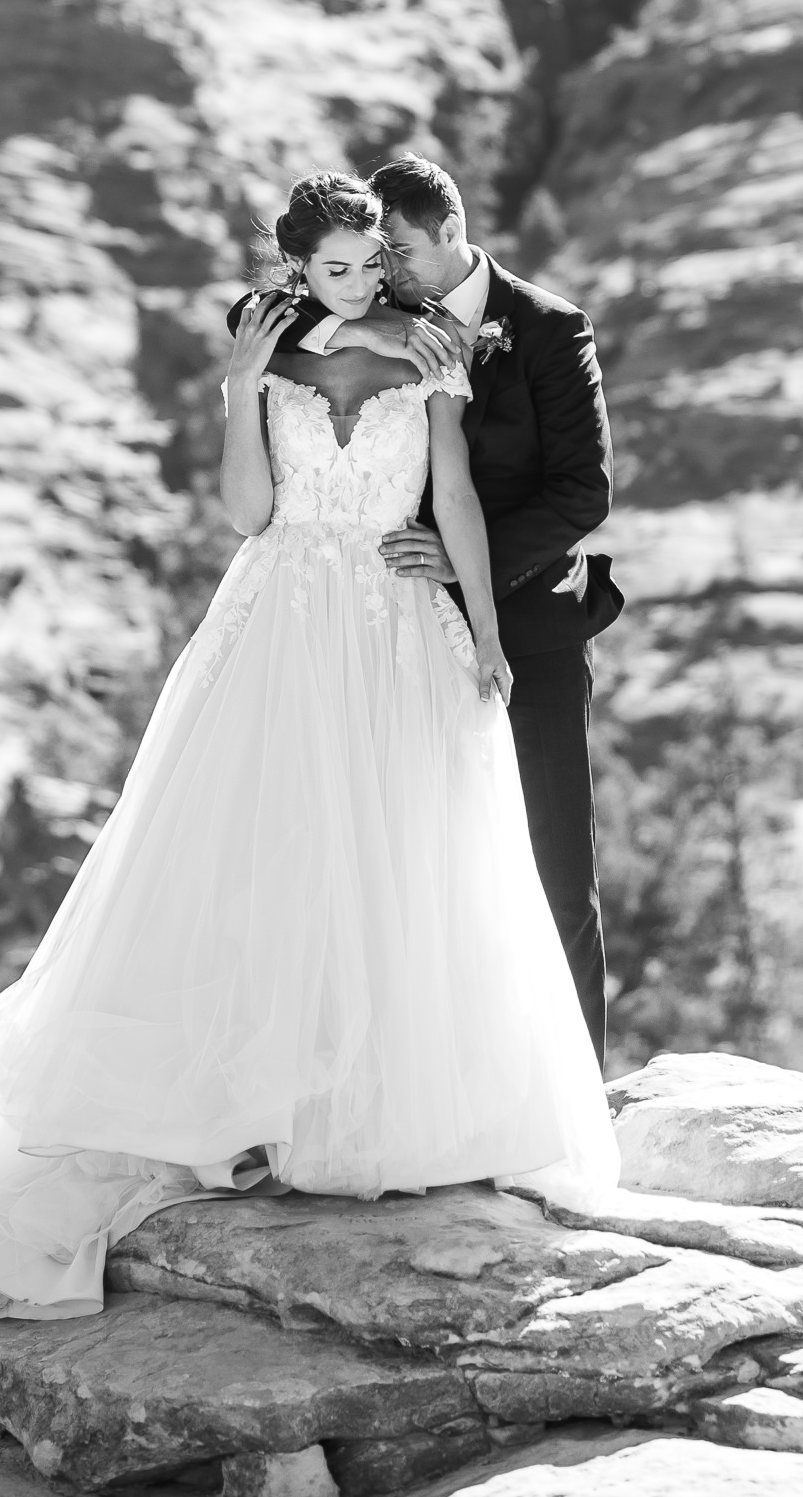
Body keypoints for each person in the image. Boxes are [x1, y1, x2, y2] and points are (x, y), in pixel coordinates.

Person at [0, 172, 618, 1353]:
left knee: (411, 855)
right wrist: (240, 391)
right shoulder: (269, 351)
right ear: (300, 267)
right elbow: (249, 511)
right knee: (266, 853)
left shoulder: (440, 349)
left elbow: (457, 492)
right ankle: (267, 1106)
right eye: (345, 264)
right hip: (279, 612)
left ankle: (407, 1114)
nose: (369, 280)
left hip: (402, 613)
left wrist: (487, 637)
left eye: (379, 259)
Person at [265, 155, 622, 1058]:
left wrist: (464, 566)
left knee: (548, 872)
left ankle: (573, 1094)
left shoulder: (547, 328)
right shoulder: (370, 311)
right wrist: (381, 332)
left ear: (451, 233)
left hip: (525, 626)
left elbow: (583, 494)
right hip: (384, 632)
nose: (379, 275)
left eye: (397, 256)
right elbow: (255, 315)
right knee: (409, 871)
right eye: (364, 262)